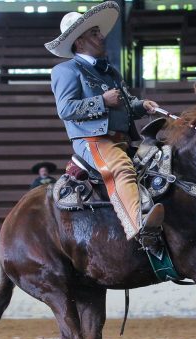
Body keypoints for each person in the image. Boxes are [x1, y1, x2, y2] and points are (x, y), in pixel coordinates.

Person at [45, 1, 163, 241]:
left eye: (99, 32)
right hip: (93, 140)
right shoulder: (65, 70)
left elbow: (126, 105)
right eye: (94, 33)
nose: (101, 37)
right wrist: (102, 101)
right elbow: (65, 109)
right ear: (79, 42)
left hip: (123, 138)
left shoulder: (111, 72)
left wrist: (143, 106)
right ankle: (139, 227)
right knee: (121, 168)